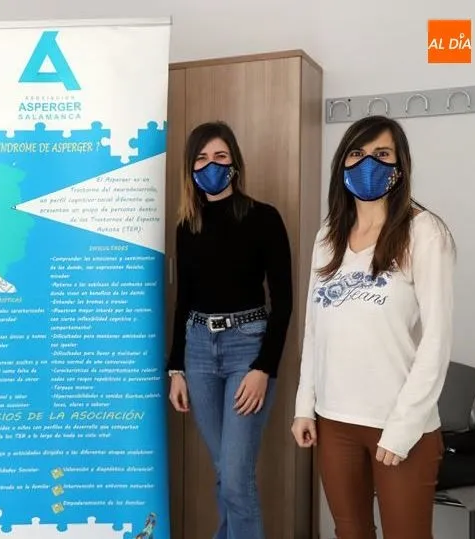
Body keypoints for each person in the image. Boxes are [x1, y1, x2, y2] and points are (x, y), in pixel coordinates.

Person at [291, 115, 455, 539]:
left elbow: (437, 340)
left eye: (382, 154)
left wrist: (402, 429)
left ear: (399, 167)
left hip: (400, 423)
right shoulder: (329, 235)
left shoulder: (424, 232)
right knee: (351, 531)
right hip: (334, 421)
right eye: (357, 154)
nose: (369, 164)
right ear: (341, 165)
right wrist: (303, 406)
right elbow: (314, 330)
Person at [167, 121, 293, 539]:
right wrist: (176, 369)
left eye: (220, 157)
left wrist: (264, 368)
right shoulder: (187, 226)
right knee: (225, 471)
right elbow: (183, 299)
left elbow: (284, 301)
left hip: (247, 347)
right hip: (199, 349)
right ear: (191, 168)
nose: (211, 165)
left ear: (235, 164)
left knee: (237, 478)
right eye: (201, 158)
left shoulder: (264, 218)